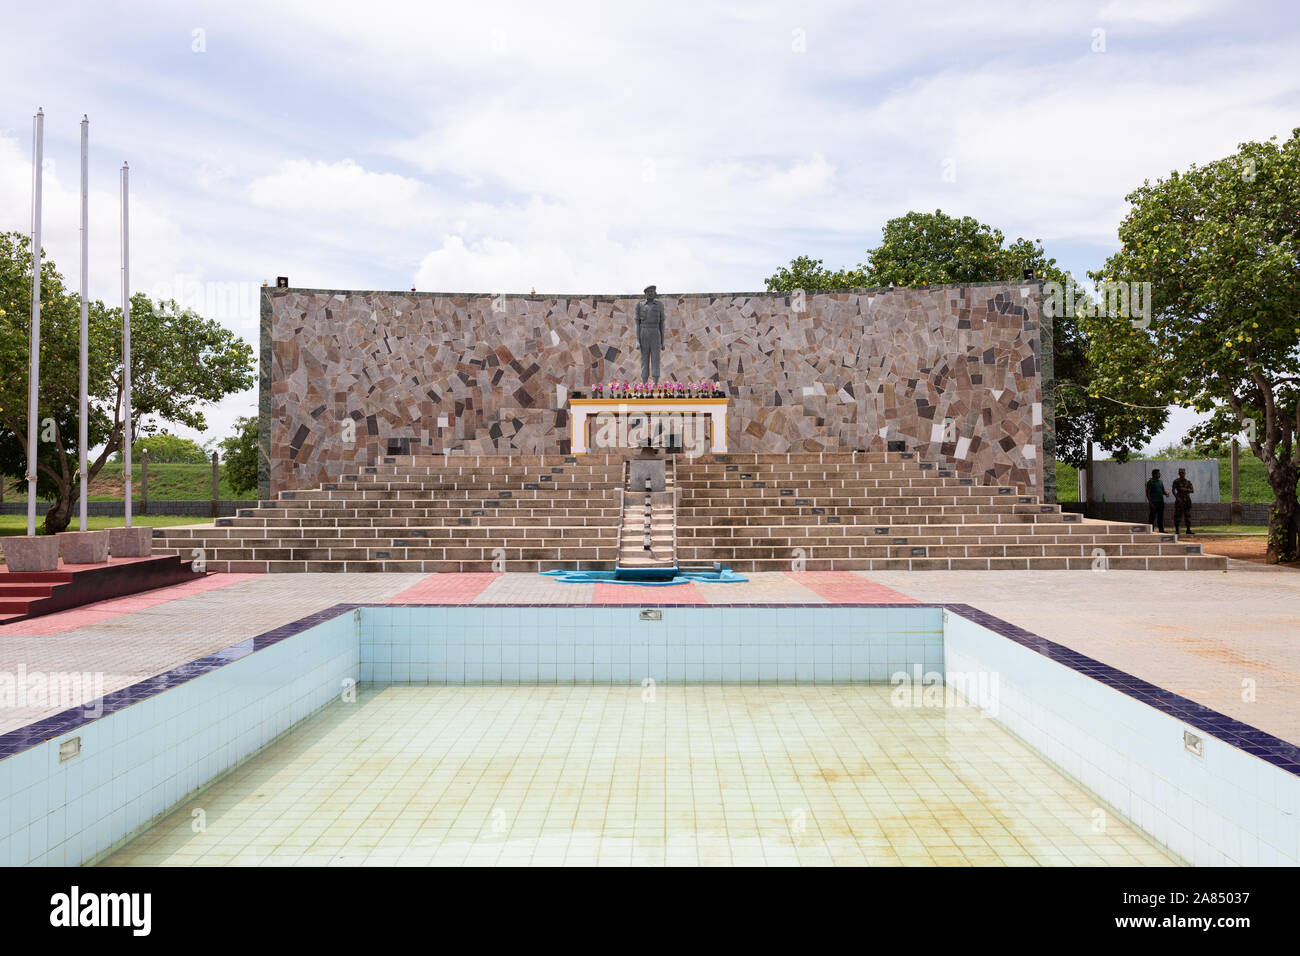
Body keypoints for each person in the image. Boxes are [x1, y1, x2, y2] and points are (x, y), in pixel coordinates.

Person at [635, 285, 665, 382]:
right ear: (645, 293)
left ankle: (656, 381)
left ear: (655, 293)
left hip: (655, 332)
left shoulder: (659, 305)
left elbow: (662, 324)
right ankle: (644, 382)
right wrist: (637, 341)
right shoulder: (640, 305)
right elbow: (637, 324)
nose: (650, 293)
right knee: (644, 359)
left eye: (652, 291)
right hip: (644, 332)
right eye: (648, 291)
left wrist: (662, 341)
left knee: (656, 359)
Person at [1145, 468, 1169, 533]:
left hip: (1161, 502)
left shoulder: (1160, 482)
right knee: (1152, 517)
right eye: (1158, 473)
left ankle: (1161, 530)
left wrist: (1166, 494)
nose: (1159, 474)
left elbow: (1163, 491)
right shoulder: (1150, 482)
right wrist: (1151, 503)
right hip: (1154, 502)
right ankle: (1150, 530)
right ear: (1154, 474)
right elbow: (1148, 493)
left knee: (1160, 516)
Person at [1172, 468, 1195, 535]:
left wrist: (1185, 490)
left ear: (1185, 473)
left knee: (1188, 515)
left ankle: (1188, 529)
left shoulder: (1188, 482)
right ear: (1179, 473)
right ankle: (1177, 530)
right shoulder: (1176, 481)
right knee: (1177, 515)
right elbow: (1173, 491)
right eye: (1180, 473)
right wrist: (1177, 498)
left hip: (1187, 500)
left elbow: (1192, 490)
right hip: (1179, 500)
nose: (1181, 474)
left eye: (1183, 473)